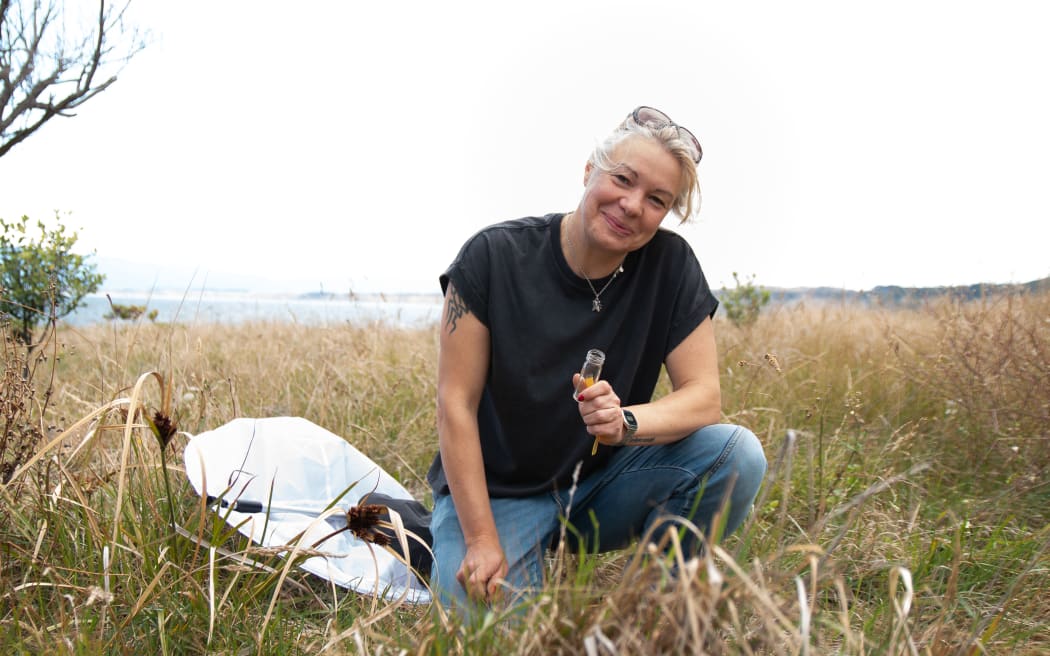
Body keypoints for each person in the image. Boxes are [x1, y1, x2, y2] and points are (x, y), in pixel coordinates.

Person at [427, 106, 767, 613]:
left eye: (656, 199)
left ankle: (647, 613)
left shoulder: (670, 267)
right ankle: (462, 542)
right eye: (623, 179)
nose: (632, 206)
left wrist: (625, 422)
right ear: (590, 170)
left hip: (601, 487)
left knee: (735, 455)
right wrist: (480, 538)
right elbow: (456, 402)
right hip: (499, 496)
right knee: (483, 635)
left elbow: (704, 398)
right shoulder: (492, 257)